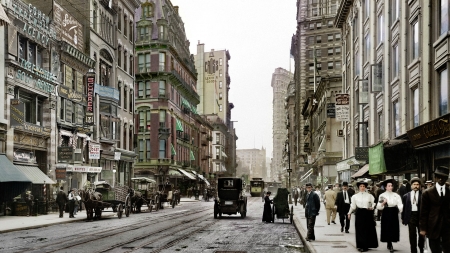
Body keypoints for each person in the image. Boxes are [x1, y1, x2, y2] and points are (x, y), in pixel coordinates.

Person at [420, 166, 450, 253]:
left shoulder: (449, 192)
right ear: (435, 177)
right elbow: (423, 212)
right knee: (435, 249)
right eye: (438, 177)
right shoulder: (427, 193)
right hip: (433, 225)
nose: (441, 179)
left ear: (446, 178)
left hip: (447, 226)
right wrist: (423, 229)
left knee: (448, 249)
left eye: (443, 177)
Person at [348, 180, 378, 252]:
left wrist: (372, 207)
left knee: (367, 229)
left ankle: (366, 245)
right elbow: (353, 206)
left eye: (363, 186)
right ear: (358, 187)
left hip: (367, 213)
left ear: (365, 187)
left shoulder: (369, 195)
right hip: (359, 213)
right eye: (361, 186)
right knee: (359, 229)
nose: (362, 187)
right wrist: (349, 213)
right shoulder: (354, 196)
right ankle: (360, 245)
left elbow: (373, 203)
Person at [377, 179, 403, 252]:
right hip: (386, 211)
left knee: (393, 228)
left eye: (391, 186)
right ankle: (389, 243)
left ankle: (391, 240)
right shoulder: (382, 195)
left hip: (394, 212)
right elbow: (379, 206)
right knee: (387, 227)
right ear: (385, 187)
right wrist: (383, 203)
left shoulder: (396, 195)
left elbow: (400, 204)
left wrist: (401, 210)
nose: (390, 187)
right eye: (389, 186)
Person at [402, 177, 424, 253]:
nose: (416, 186)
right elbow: (404, 208)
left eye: (417, 184)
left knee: (421, 235)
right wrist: (403, 218)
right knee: (412, 235)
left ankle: (421, 249)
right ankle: (413, 250)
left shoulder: (423, 195)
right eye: (414, 184)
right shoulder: (406, 196)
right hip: (411, 216)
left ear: (420, 186)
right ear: (411, 185)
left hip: (420, 216)